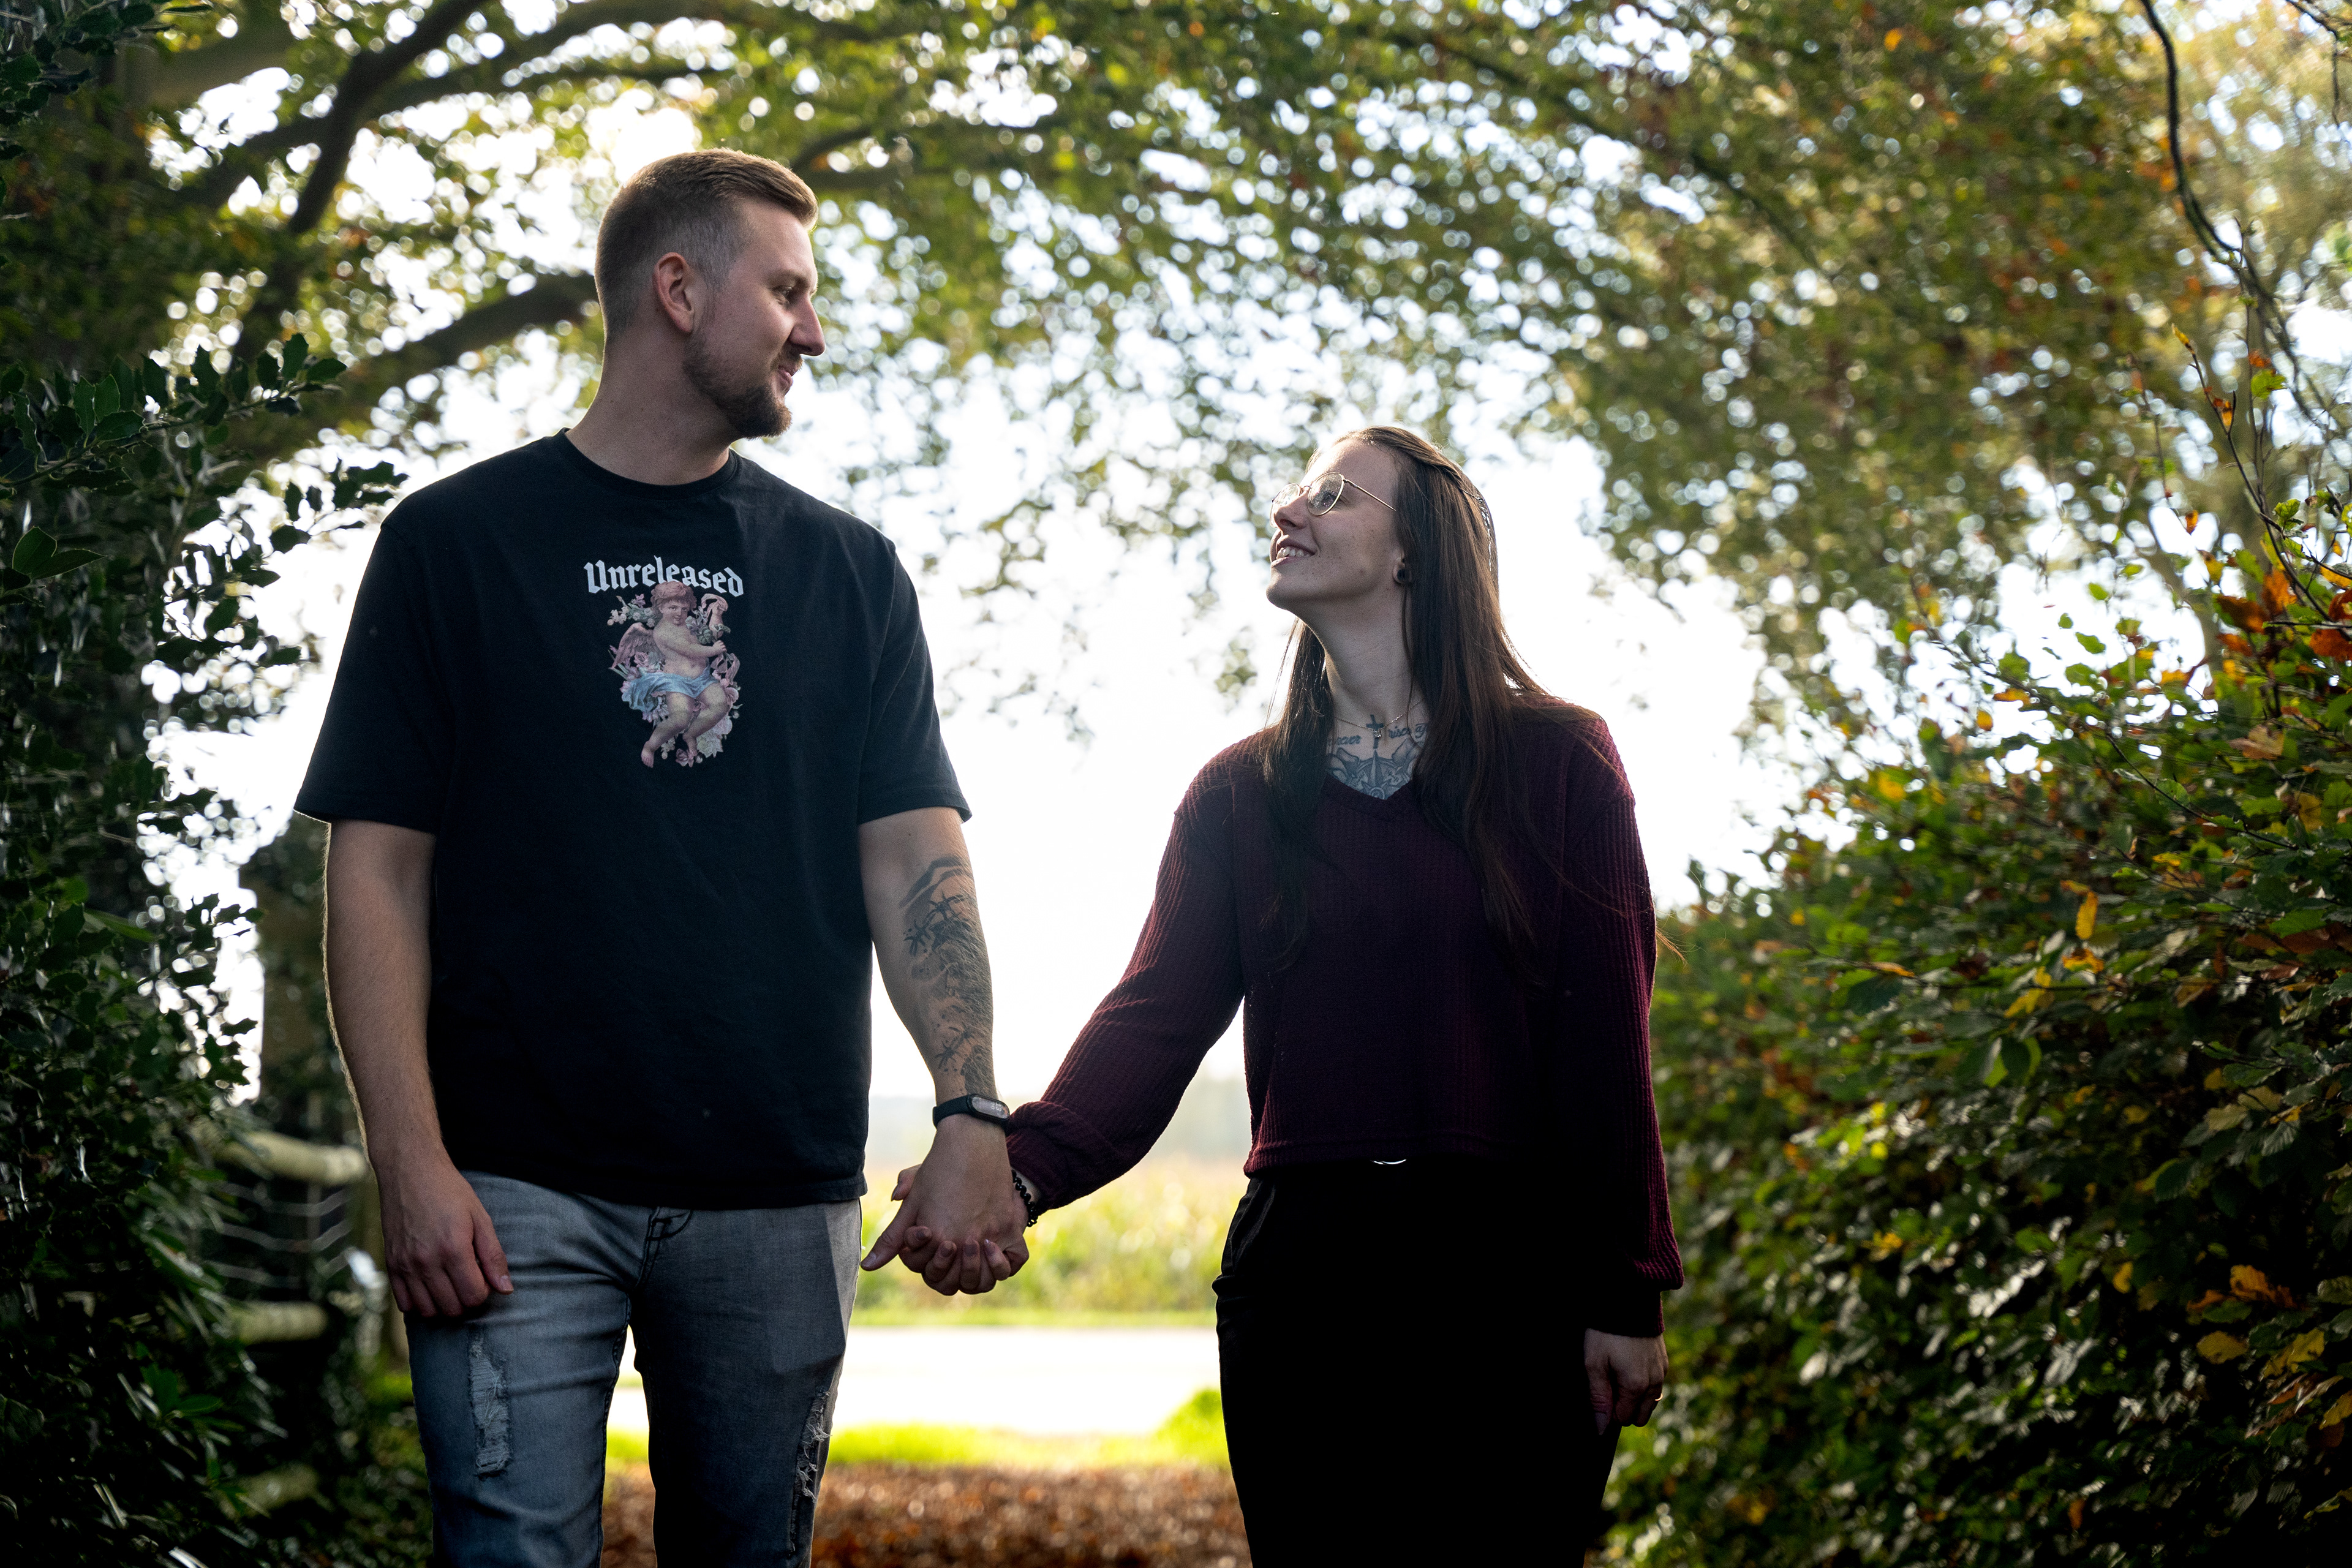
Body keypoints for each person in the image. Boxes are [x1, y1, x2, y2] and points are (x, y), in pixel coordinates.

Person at [298, 148, 1028, 1568]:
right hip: (509, 1187)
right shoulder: (453, 544)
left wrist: (971, 1106)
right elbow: (376, 868)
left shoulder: (850, 572)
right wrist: (410, 1157)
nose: (815, 330)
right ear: (679, 290)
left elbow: (914, 858)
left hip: (778, 1185)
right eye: (789, 291)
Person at [959, 427, 1682, 1561]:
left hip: (1511, 1281)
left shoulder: (1560, 764)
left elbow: (1605, 1050)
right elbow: (1155, 1019)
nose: (1288, 512)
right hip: (1303, 1283)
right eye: (1298, 492)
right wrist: (1009, 1174)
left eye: (1333, 494)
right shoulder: (1239, 795)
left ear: (1416, 550)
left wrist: (1626, 1291)